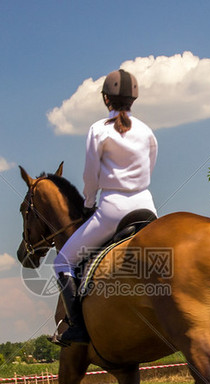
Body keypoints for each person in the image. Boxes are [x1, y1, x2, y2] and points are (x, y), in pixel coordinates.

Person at [53, 68, 158, 345]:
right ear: (133, 100)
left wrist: (88, 204)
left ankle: (78, 328)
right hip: (147, 206)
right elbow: (151, 165)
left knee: (61, 261)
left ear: (105, 99)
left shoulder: (98, 130)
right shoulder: (147, 131)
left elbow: (91, 176)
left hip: (112, 208)